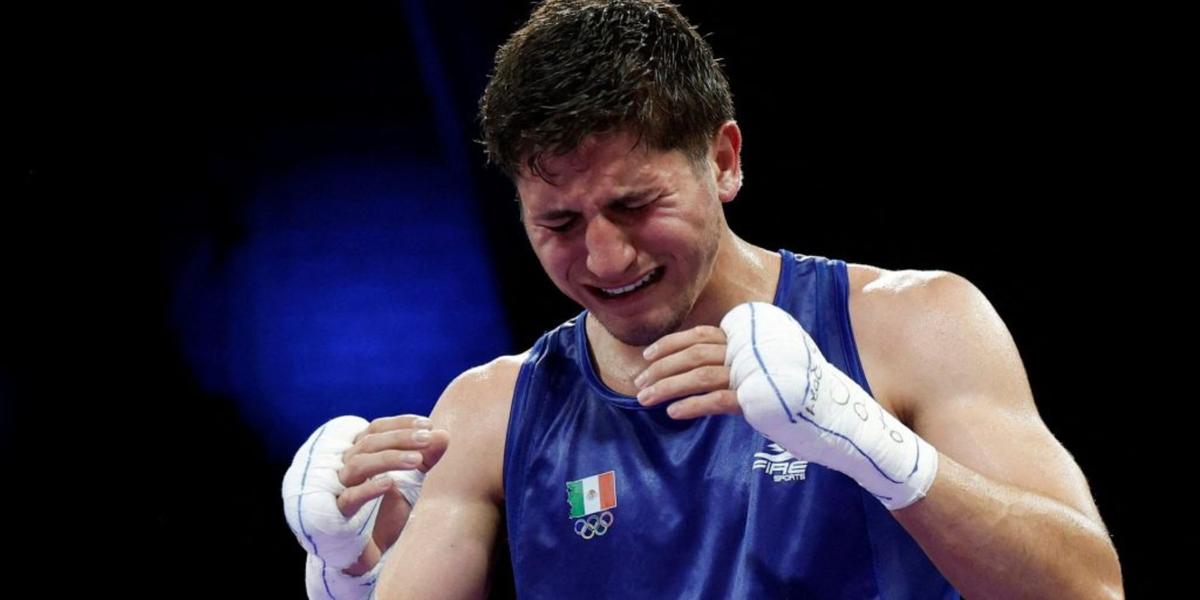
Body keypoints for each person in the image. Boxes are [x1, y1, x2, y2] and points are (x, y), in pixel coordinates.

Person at [283, 1, 1124, 598]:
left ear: (723, 160)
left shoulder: (911, 326)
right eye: (561, 222)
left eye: (634, 205)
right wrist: (346, 569)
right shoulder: (488, 414)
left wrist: (868, 441)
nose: (604, 256)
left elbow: (1086, 587)